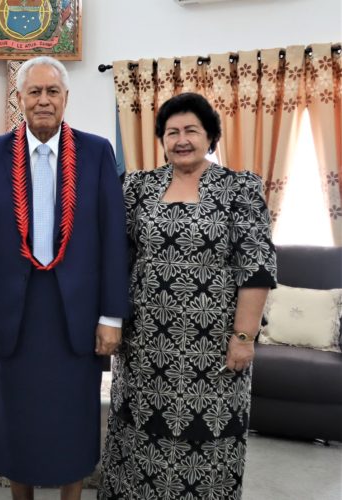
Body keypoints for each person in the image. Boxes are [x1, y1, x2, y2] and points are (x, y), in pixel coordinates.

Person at [0, 56, 130, 499]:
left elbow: (113, 240)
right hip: (11, 314)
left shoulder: (95, 153)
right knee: (18, 417)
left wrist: (112, 317)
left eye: (52, 92)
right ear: (20, 98)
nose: (43, 100)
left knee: (71, 418)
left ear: (66, 98)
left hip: (74, 315)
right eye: (34, 92)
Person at [98, 92, 277, 499]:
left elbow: (257, 266)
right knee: (138, 441)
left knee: (207, 443)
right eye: (172, 131)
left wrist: (244, 338)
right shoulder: (138, 187)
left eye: (191, 131)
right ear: (161, 138)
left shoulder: (239, 188)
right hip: (144, 346)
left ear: (210, 136)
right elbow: (114, 257)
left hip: (213, 350)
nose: (181, 140)